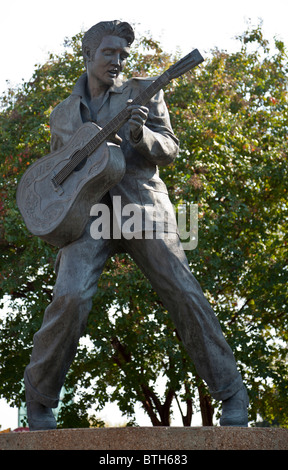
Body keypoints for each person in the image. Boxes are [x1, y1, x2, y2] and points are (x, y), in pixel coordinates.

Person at [24, 20, 249, 430]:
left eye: (123, 54)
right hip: (87, 216)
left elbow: (170, 148)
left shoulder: (143, 90)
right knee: (69, 298)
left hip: (141, 208)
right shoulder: (61, 114)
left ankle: (232, 392)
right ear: (88, 54)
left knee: (182, 291)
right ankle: (39, 399)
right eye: (109, 52)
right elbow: (58, 167)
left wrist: (141, 134)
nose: (118, 60)